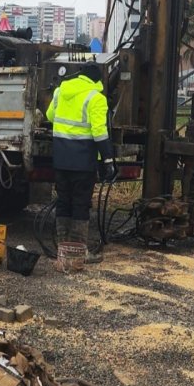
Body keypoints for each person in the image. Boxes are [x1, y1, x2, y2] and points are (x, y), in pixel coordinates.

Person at [46, 63, 115, 264]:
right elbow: (99, 131)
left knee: (63, 201)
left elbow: (50, 116)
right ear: (97, 80)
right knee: (80, 204)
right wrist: (108, 160)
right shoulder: (96, 98)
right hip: (83, 161)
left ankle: (62, 248)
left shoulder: (60, 91)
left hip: (60, 158)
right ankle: (78, 251)